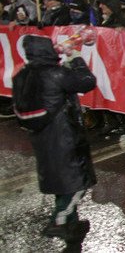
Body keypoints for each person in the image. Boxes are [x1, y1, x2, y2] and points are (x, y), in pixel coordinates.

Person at [13, 35, 96, 247]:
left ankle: (72, 226)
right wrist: (75, 56)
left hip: (43, 138)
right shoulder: (56, 74)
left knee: (62, 182)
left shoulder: (22, 75)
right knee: (77, 184)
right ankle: (59, 221)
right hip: (65, 138)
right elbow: (87, 82)